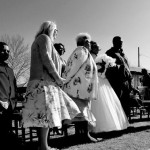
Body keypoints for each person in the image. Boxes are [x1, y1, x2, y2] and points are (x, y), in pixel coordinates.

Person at [22, 21, 80, 150]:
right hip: (43, 83)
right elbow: (46, 58)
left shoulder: (44, 40)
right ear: (50, 28)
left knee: (46, 115)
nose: (57, 32)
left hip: (45, 83)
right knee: (46, 115)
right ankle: (44, 146)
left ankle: (44, 145)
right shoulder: (44, 38)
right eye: (56, 29)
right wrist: (58, 77)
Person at [63, 33, 99, 142]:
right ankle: (84, 135)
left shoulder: (83, 52)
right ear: (82, 42)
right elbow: (72, 69)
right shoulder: (81, 51)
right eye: (88, 41)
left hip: (81, 87)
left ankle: (81, 135)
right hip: (78, 88)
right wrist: (65, 80)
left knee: (81, 112)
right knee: (81, 112)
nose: (90, 44)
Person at [90, 42, 129, 133]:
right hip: (96, 81)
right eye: (96, 46)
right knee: (99, 102)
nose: (98, 48)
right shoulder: (91, 57)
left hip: (102, 80)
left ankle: (109, 125)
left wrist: (106, 69)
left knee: (107, 101)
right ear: (93, 48)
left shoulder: (99, 57)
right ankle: (98, 126)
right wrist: (102, 70)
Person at [0, 42, 23, 150]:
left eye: (8, 51)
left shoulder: (9, 69)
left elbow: (13, 86)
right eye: (3, 50)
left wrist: (15, 99)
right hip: (1, 104)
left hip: (10, 105)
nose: (6, 53)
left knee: (7, 130)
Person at [105, 36, 133, 117]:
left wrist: (130, 82)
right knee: (117, 103)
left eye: (122, 42)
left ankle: (126, 123)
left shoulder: (122, 54)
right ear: (114, 42)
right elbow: (108, 68)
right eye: (119, 42)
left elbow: (127, 68)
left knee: (126, 103)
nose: (121, 43)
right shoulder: (109, 53)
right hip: (117, 83)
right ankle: (118, 125)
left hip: (126, 82)